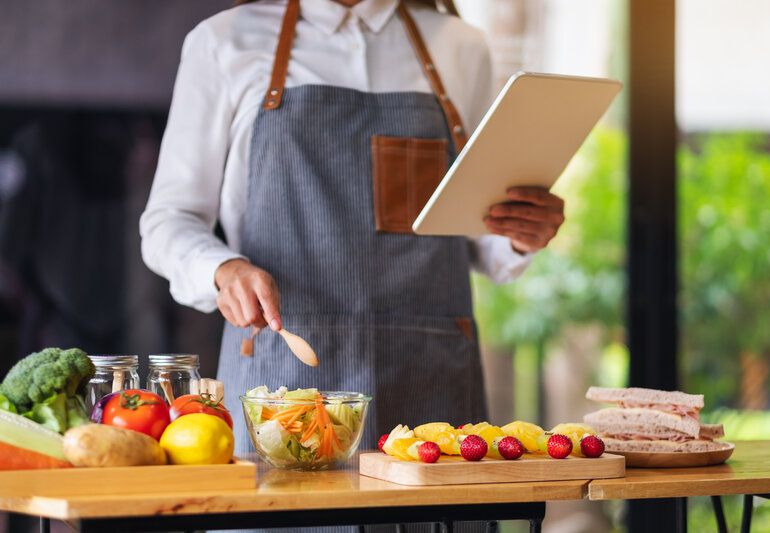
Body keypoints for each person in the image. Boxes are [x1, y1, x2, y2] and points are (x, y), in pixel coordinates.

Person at [140, 0, 565, 455]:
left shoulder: (462, 47)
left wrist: (521, 234)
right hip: (284, 388)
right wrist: (225, 268)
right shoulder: (225, 40)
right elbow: (169, 220)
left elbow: (480, 236)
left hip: (430, 385)